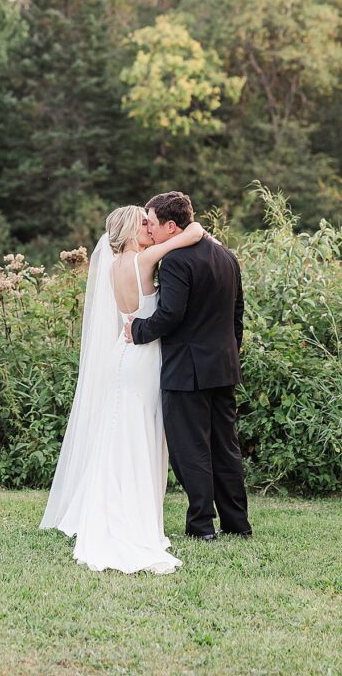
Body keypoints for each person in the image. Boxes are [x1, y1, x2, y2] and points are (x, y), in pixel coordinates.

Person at [40, 204, 206, 573]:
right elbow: (190, 235)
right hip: (144, 358)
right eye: (144, 224)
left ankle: (117, 508)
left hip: (123, 352)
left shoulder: (115, 266)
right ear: (132, 232)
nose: (149, 227)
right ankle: (133, 519)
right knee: (140, 436)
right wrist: (196, 230)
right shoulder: (143, 260)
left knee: (120, 434)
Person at [125, 190, 251, 541]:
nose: (148, 228)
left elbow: (170, 314)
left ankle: (201, 526)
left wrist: (138, 330)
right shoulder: (227, 256)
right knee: (225, 447)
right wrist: (230, 350)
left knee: (190, 448)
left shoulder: (177, 261)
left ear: (170, 225)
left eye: (151, 222)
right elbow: (237, 314)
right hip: (223, 366)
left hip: (187, 370)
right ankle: (237, 524)